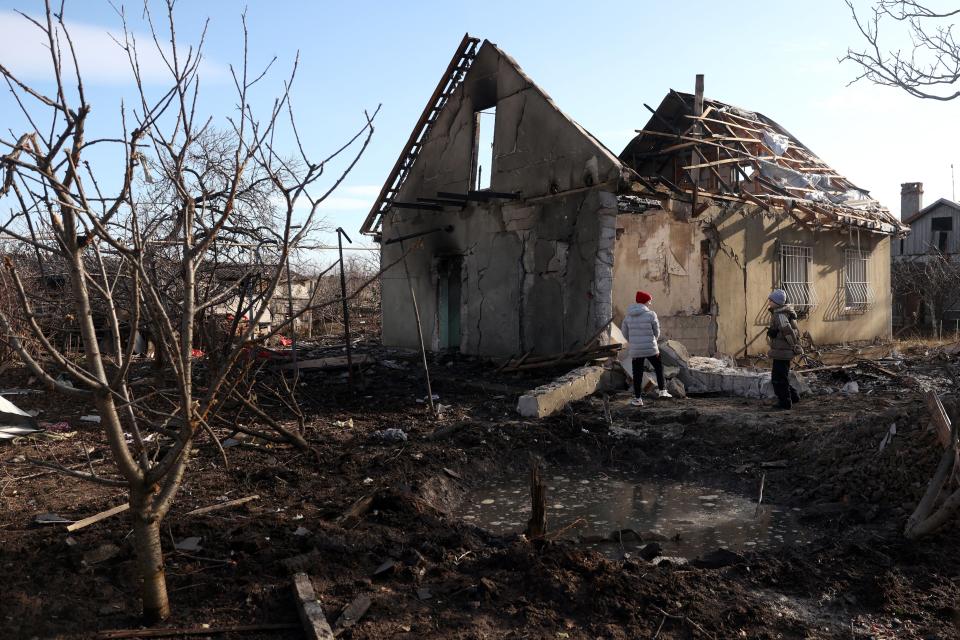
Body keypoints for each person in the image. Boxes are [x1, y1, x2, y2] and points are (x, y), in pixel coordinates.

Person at [621, 291, 672, 406]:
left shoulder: (628, 316)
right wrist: (653, 340)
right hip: (650, 348)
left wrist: (633, 341)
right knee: (659, 367)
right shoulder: (651, 314)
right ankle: (662, 391)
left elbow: (624, 332)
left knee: (637, 374)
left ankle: (638, 399)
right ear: (645, 301)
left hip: (636, 349)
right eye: (649, 301)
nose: (650, 303)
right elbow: (657, 331)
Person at [766, 289, 803, 410]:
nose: (769, 301)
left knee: (777, 378)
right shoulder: (780, 312)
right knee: (782, 377)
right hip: (781, 351)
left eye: (771, 300)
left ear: (776, 302)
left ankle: (785, 403)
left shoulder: (780, 315)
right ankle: (793, 396)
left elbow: (788, 332)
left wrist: (794, 346)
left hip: (783, 352)